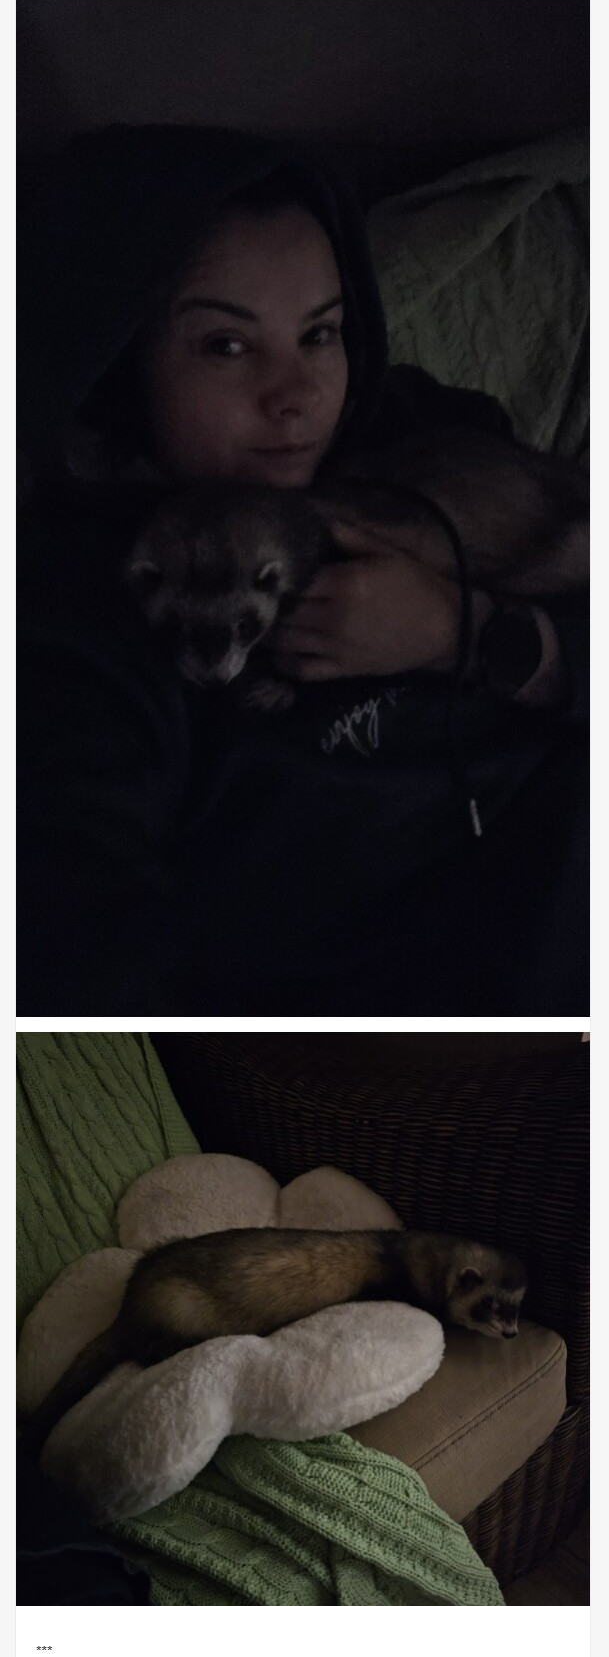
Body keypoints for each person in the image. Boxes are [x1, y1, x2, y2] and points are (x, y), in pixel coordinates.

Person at [18, 125, 588, 1014]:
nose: (297, 395)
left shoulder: (414, 424)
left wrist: (464, 631)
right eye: (226, 345)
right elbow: (81, 930)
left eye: (320, 332)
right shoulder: (82, 613)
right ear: (120, 356)